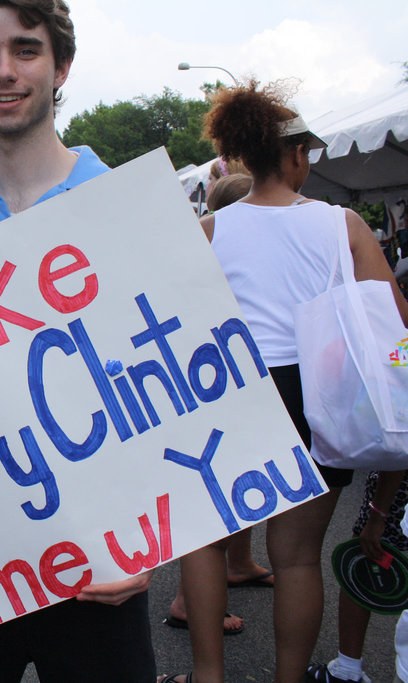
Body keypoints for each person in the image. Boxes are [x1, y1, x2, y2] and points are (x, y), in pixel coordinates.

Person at [0, 1, 155, 680]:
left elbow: (172, 380)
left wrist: (158, 541)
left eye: (25, 49)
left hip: (101, 555)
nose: (4, 70)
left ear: (60, 65)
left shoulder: (120, 200)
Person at [160, 81, 408, 683]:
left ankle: (209, 675)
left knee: (208, 540)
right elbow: (395, 322)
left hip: (231, 391)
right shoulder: (339, 223)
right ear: (295, 155)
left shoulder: (211, 229)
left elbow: (177, 322)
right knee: (297, 559)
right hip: (316, 396)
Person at [163, 172, 267, 640]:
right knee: (213, 499)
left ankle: (234, 567)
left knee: (227, 491)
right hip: (217, 380)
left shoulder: (205, 239)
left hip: (209, 375)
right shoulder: (216, 240)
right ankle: (190, 601)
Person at [304, 470, 407, 683]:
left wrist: (377, 515)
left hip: (399, 481)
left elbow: (398, 450)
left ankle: (347, 669)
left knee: (365, 555)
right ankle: (347, 668)